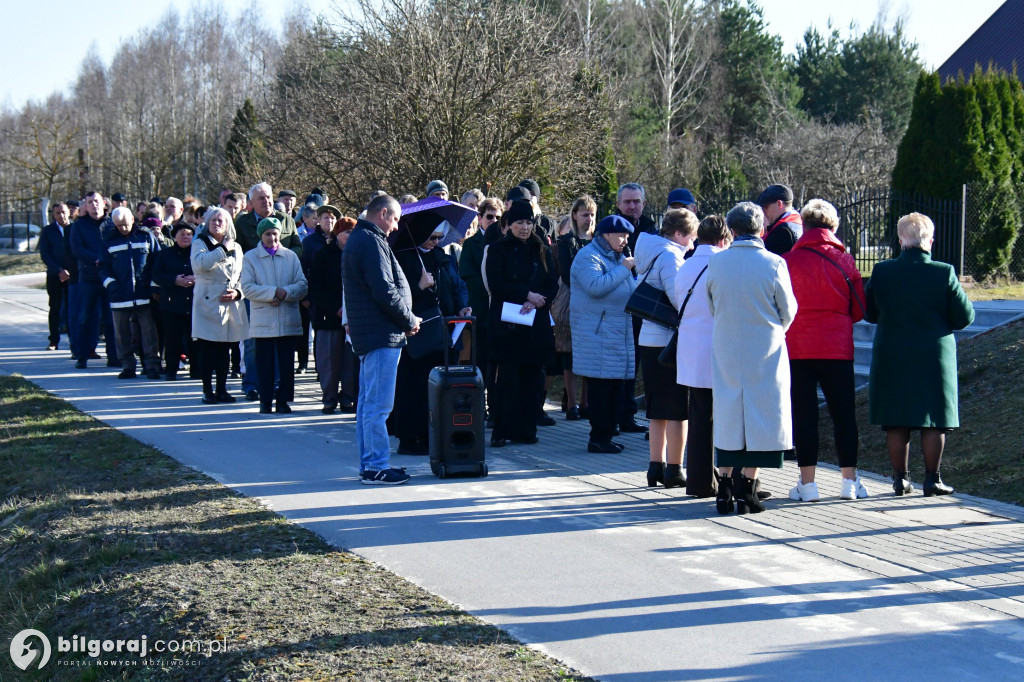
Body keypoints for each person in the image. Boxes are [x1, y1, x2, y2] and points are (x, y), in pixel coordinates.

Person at [865, 212, 975, 497]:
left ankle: (900, 479)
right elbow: (964, 317)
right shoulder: (944, 272)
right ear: (930, 239)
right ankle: (932, 479)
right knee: (933, 417)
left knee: (896, 417)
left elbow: (870, 313)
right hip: (933, 354)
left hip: (893, 351)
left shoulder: (883, 271)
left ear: (901, 239)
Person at [707, 202, 798, 514]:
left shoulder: (716, 263)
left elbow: (712, 305)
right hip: (765, 349)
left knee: (729, 413)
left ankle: (723, 485)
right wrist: (771, 328)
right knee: (760, 416)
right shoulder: (774, 263)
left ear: (732, 230)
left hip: (727, 346)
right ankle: (748, 486)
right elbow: (789, 310)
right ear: (762, 229)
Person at [782, 199, 868, 502]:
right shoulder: (845, 261)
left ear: (804, 225)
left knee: (804, 416)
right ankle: (849, 482)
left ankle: (808, 485)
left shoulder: (789, 261)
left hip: (798, 347)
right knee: (844, 415)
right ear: (833, 226)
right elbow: (858, 310)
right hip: (837, 348)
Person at [343, 194, 420, 485]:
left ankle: (370, 463)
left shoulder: (365, 238)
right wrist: (408, 319)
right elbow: (384, 290)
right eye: (396, 219)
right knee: (377, 406)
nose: (397, 227)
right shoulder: (369, 241)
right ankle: (375, 465)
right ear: (383, 213)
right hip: (379, 334)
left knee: (369, 404)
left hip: (375, 332)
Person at [392, 218, 471, 453]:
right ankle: (410, 437)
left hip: (444, 329)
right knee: (414, 385)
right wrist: (418, 287)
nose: (435, 242)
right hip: (417, 330)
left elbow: (455, 287)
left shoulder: (443, 258)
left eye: (439, 238)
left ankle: (435, 435)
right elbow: (395, 297)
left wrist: (462, 307)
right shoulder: (403, 258)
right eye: (431, 237)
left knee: (441, 385)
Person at [485, 200, 557, 447]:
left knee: (532, 379)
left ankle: (525, 429)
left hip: (535, 320)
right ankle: (502, 429)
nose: (524, 228)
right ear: (509, 225)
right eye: (519, 223)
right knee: (508, 380)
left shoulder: (541, 249)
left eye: (528, 222)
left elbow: (552, 282)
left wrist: (538, 301)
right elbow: (497, 284)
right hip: (510, 323)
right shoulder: (498, 249)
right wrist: (525, 295)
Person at [635, 208, 697, 488]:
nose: (693, 244)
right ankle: (674, 468)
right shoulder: (671, 256)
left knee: (656, 408)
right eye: (691, 237)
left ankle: (654, 466)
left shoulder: (649, 250)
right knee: (676, 409)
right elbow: (678, 299)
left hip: (648, 338)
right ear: (678, 234)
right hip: (668, 340)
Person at [571, 214, 638, 453]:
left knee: (613, 391)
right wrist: (624, 269)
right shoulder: (588, 256)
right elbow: (595, 287)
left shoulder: (616, 258)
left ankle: (606, 436)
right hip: (597, 335)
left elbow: (629, 290)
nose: (624, 240)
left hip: (615, 334)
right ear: (605, 235)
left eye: (627, 236)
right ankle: (598, 438)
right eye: (621, 235)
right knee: (601, 391)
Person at [675, 215, 732, 498]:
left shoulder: (685, 266)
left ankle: (698, 482)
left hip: (690, 350)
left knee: (699, 417)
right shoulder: (722, 266)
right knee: (726, 419)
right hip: (718, 348)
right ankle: (728, 479)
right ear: (724, 239)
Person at [235, 183, 303, 399]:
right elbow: (238, 250)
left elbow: (297, 245)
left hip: (284, 284)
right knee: (254, 341)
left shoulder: (286, 219)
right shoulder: (243, 222)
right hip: (257, 285)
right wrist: (268, 289)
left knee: (281, 342)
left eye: (268, 197)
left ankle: (276, 385)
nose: (266, 201)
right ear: (251, 203)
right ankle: (254, 384)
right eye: (261, 198)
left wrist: (284, 263)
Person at [241, 217, 308, 415]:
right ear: (261, 236)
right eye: (268, 234)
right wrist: (272, 292)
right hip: (264, 319)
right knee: (265, 363)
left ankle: (283, 400)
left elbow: (302, 285)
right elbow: (247, 287)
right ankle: (266, 401)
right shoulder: (251, 258)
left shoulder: (290, 257)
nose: (272, 238)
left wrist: (285, 292)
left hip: (287, 317)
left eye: (275, 234)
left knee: (286, 363)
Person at [191, 207, 248, 404]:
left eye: (221, 220)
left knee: (225, 348)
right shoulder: (200, 243)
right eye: (213, 220)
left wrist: (238, 292)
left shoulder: (237, 247)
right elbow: (200, 265)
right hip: (207, 301)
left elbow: (241, 275)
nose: (217, 223)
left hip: (228, 301)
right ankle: (207, 389)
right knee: (208, 348)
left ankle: (222, 389)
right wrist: (222, 249)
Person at [99, 207, 162, 380]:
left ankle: (152, 366)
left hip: (143, 295)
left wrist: (155, 287)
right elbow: (103, 267)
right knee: (121, 333)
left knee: (149, 332)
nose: (122, 228)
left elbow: (156, 261)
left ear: (132, 220)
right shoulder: (109, 241)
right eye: (118, 225)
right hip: (119, 297)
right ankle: (127, 365)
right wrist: (111, 285)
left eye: (125, 224)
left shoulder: (146, 236)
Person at [615, 182, 654, 434]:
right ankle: (617, 414)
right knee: (621, 363)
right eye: (627, 202)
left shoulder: (652, 231)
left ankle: (629, 415)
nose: (632, 206)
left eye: (636, 201)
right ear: (618, 204)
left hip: (645, 305)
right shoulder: (609, 230)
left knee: (639, 362)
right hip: (618, 305)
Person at [310, 216, 359, 413]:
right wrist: (335, 308)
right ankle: (329, 398)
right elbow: (316, 287)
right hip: (329, 318)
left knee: (350, 362)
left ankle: (347, 398)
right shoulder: (323, 255)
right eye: (347, 232)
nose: (350, 236)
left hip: (353, 317)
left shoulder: (357, 255)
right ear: (338, 234)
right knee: (329, 361)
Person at [554, 197, 596, 420]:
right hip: (572, 299)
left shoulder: (599, 241)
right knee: (569, 352)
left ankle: (586, 401)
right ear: (574, 215)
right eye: (584, 214)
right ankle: (571, 403)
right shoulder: (565, 241)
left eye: (591, 214)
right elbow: (566, 272)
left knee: (589, 352)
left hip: (595, 299)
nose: (588, 219)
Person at [460, 197, 502, 420]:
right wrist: (490, 288)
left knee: (497, 364)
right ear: (480, 218)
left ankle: (496, 407)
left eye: (498, 217)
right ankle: (478, 406)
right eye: (490, 217)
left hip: (500, 311)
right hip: (480, 309)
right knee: (479, 361)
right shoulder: (471, 244)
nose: (493, 221)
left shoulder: (503, 242)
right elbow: (467, 274)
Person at [69, 191, 119, 369]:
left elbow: (116, 245)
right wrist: (97, 259)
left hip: (109, 278)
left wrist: (105, 260)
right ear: (86, 205)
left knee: (111, 320)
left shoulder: (111, 223)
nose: (94, 205)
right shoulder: (79, 226)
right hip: (88, 278)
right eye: (90, 202)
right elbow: (77, 249)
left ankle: (113, 357)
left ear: (104, 203)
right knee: (85, 318)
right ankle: (82, 357)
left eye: (96, 201)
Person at [151, 222, 197, 381]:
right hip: (172, 303)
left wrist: (196, 279)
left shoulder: (198, 254)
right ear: (175, 236)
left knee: (195, 339)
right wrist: (174, 280)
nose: (186, 237)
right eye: (182, 234)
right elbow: (156, 275)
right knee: (173, 339)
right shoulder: (165, 254)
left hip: (194, 303)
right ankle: (171, 370)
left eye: (189, 234)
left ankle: (196, 371)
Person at [39, 201, 72, 351]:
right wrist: (59, 270)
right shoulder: (48, 231)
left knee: (73, 308)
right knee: (55, 308)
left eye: (64, 212)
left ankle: (75, 341)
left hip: (73, 275)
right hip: (55, 275)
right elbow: (45, 254)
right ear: (54, 215)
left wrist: (70, 270)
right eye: (58, 213)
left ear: (69, 212)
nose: (62, 215)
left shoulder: (75, 228)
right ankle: (54, 340)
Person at [756, 183, 802, 256]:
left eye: (766, 206)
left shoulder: (782, 231)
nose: (763, 212)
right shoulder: (801, 223)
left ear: (779, 204)